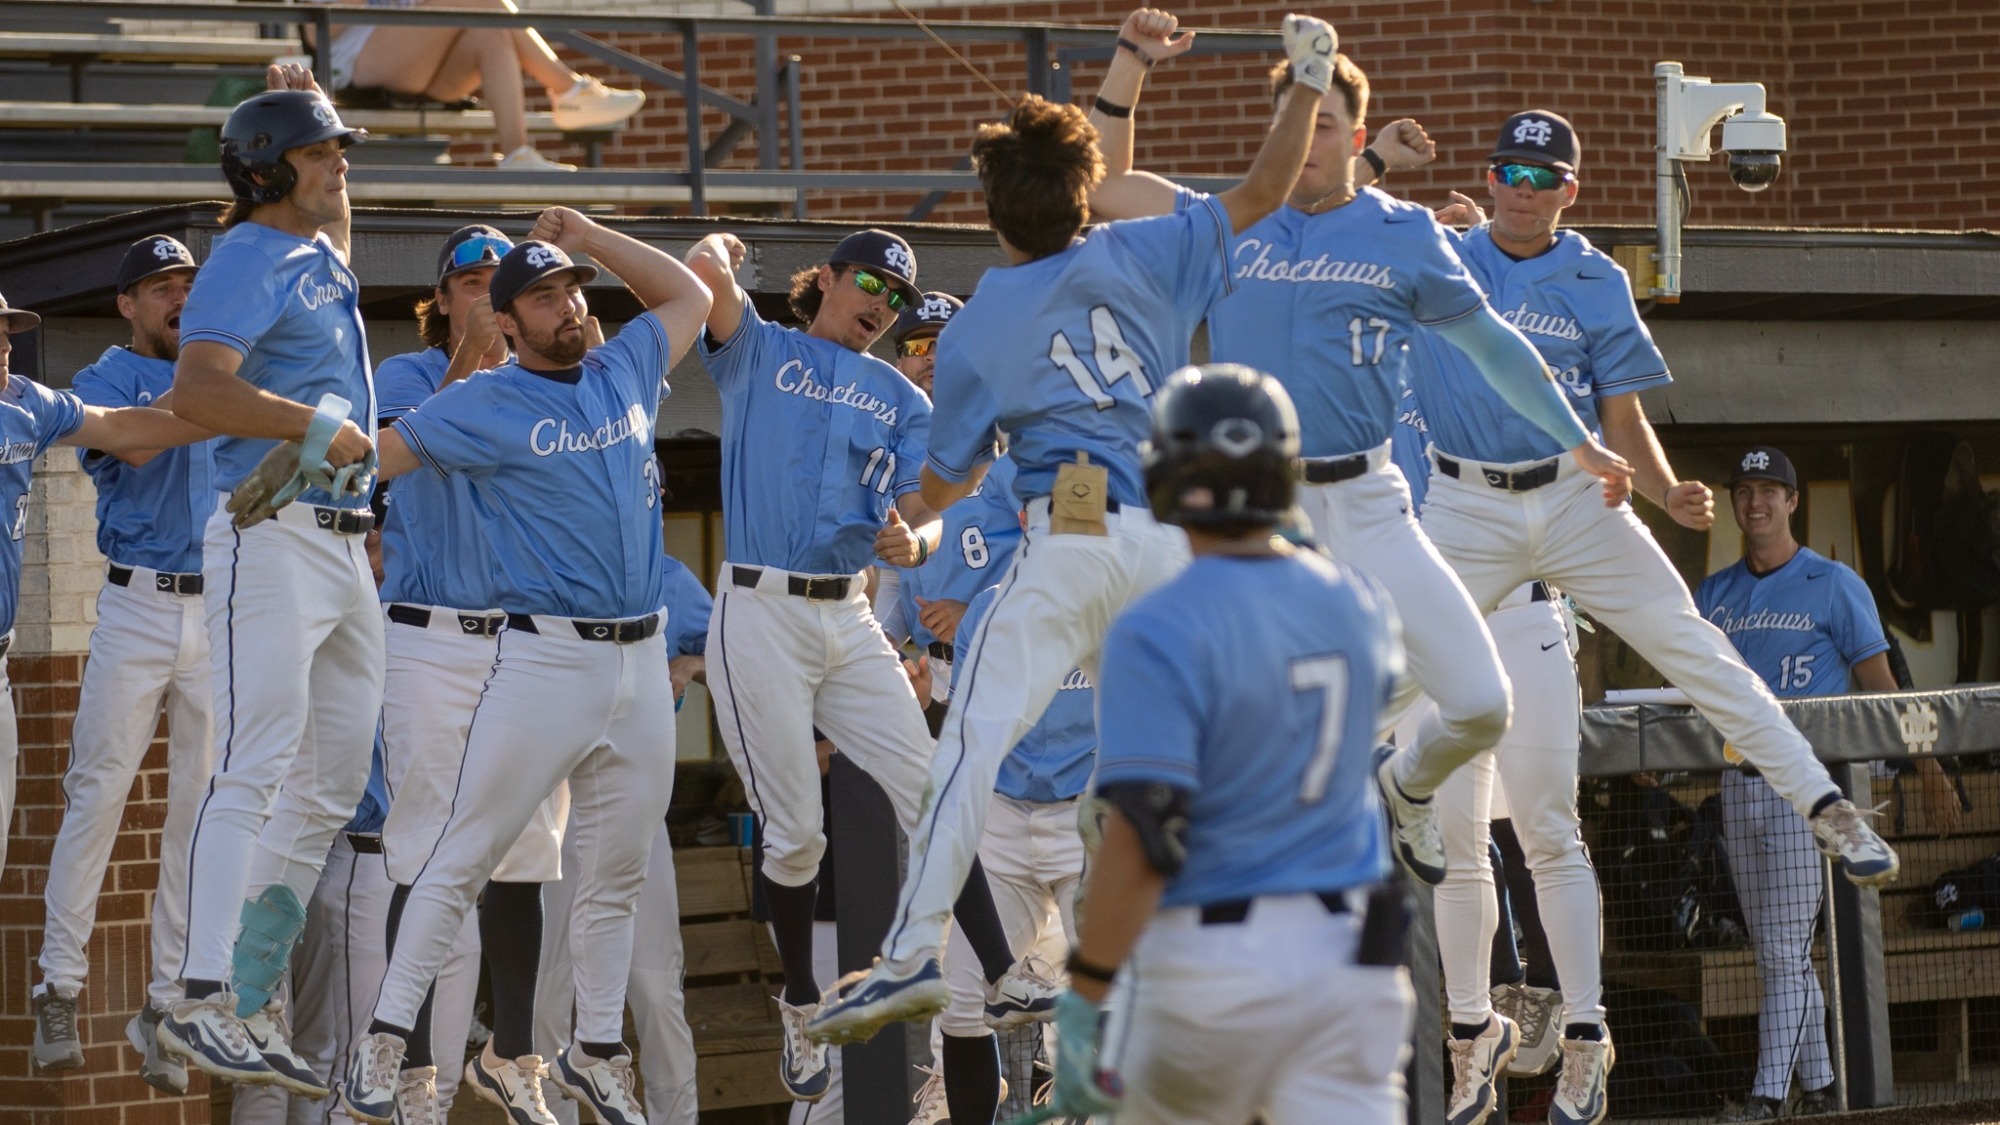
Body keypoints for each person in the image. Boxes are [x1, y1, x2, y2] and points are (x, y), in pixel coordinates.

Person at [807, 12, 1341, 1045]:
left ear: (993, 216)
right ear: (1081, 198)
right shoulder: (1145, 250)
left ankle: (914, 958)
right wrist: (1307, 77)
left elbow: (945, 484)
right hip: (1171, 551)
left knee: (966, 742)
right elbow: (1266, 189)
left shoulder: (978, 326)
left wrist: (894, 519)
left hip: (1070, 542)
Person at [1401, 110, 1900, 1125]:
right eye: (1506, 169)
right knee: (1398, 685)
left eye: (1541, 174)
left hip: (1576, 495)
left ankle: (1824, 805)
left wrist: (1669, 494)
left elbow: (1622, 415)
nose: (1520, 186)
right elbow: (1342, 234)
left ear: (1568, 190)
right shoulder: (1446, 252)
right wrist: (1398, 179)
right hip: (1462, 503)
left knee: (1688, 642)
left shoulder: (1591, 277)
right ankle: (1469, 1029)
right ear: (1485, 179)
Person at [1083, 7, 1631, 888]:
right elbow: (1104, 185)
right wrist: (1132, 60)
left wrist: (1581, 444)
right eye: (1292, 118)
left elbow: (1494, 346)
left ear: (1356, 135)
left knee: (1483, 705)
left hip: (1373, 501)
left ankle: (1403, 784)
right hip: (1263, 512)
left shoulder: (1405, 232)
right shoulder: (1229, 221)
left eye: (1323, 119)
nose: (1304, 136)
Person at [312, 215, 709, 1125]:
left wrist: (588, 236)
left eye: (570, 289)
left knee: (605, 869)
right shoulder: (478, 396)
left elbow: (691, 293)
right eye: (541, 294)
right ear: (503, 316)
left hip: (637, 658)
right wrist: (289, 452)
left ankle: (591, 1049)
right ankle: (386, 1042)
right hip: (531, 653)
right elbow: (373, 462)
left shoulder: (623, 368)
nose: (567, 304)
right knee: (455, 850)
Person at [682, 225, 1029, 1100]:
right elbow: (702, 280)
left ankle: (1003, 971)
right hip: (758, 605)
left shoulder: (899, 395)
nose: (884, 303)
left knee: (933, 785)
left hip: (847, 610)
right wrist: (720, 246)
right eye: (872, 281)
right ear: (829, 277)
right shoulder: (759, 349)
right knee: (798, 834)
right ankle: (800, 999)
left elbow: (929, 505)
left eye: (900, 296)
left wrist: (919, 533)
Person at [1042, 363, 1411, 1124]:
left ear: (1165, 474)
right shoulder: (1360, 601)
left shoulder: (1156, 624)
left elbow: (1151, 827)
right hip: (1353, 964)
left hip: (1212, 965)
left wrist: (1086, 994)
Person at [157, 65, 384, 1096]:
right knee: (253, 765)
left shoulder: (309, 248)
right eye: (321, 150)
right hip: (273, 532)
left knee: (333, 782)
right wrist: (310, 426)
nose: (340, 163)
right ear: (265, 171)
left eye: (338, 148)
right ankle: (198, 997)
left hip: (340, 543)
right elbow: (197, 389)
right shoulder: (249, 252)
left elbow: (331, 232)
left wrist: (306, 99)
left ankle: (245, 998)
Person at [370, 223, 575, 1123]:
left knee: (527, 852)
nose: (487, 293)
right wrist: (475, 352)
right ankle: (412, 1065)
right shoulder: (408, 375)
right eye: (473, 280)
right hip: (426, 632)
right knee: (418, 851)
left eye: (501, 281)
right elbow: (398, 453)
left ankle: (514, 1048)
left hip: (526, 636)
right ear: (444, 298)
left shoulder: (540, 384)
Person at [1701, 445, 1959, 1121]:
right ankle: (1819, 1084)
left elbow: (1883, 687)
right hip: (1738, 781)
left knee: (1784, 948)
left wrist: (1929, 768)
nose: (1755, 502)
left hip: (1808, 788)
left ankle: (1767, 1096)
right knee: (1776, 951)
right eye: (1744, 489)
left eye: (1769, 490)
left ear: (1792, 503)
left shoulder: (1835, 582)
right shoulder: (1715, 592)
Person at [32, 236, 216, 1093]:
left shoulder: (218, 368)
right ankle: (58, 985)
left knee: (201, 811)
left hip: (216, 607)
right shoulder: (106, 376)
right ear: (129, 304)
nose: (179, 296)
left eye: (189, 283)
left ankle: (168, 1004)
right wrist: (229, 403)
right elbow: (137, 445)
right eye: (161, 287)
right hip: (138, 602)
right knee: (98, 791)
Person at [1391, 383, 1601, 1120]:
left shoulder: (1489, 352)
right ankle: (1473, 1029)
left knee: (1547, 830)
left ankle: (1584, 1032)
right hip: (1426, 629)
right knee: (1454, 841)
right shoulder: (1359, 374)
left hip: (1520, 614)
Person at [536, 553, 712, 1125]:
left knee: (658, 993)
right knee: (549, 1001)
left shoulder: (664, 572)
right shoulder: (537, 557)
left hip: (631, 795)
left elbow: (738, 653)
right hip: (549, 798)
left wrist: (688, 662)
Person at [919, 581, 1094, 1125]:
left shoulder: (1123, 600)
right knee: (962, 1000)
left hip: (1088, 813)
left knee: (1111, 1004)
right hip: (1006, 818)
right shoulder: (993, 609)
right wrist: (924, 707)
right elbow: (969, 736)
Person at [302, 0, 645, 170]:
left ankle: (517, 154)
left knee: (490, 31)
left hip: (422, 63)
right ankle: (570, 91)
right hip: (354, 61)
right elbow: (314, 31)